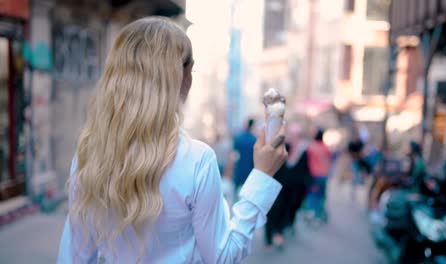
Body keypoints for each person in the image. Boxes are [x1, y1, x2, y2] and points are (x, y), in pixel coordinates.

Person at [57, 17, 288, 264]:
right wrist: (262, 176)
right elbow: (222, 256)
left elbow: (73, 258)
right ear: (180, 78)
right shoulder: (197, 160)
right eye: (192, 69)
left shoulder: (88, 156)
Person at [264, 123, 308, 249]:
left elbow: (303, 170)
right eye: (292, 134)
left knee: (284, 210)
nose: (293, 137)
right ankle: (270, 238)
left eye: (296, 135)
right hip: (274, 185)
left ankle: (278, 233)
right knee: (273, 211)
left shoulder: (301, 150)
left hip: (289, 189)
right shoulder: (280, 147)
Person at [305, 128, 332, 223]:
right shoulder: (326, 148)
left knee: (312, 194)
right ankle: (319, 213)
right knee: (321, 195)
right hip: (323, 175)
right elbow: (329, 161)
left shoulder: (311, 148)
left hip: (313, 175)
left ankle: (311, 213)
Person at [232, 119, 257, 201]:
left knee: (236, 189)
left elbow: (233, 155)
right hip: (249, 167)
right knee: (248, 191)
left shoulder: (239, 138)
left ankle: (234, 203)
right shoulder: (254, 139)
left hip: (239, 166)